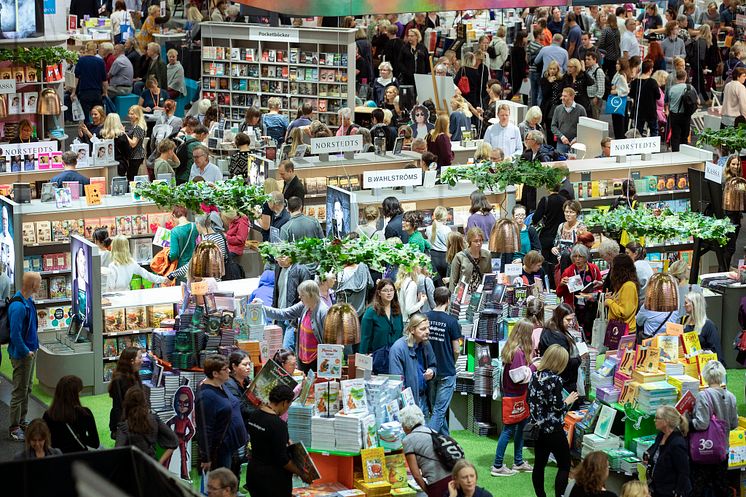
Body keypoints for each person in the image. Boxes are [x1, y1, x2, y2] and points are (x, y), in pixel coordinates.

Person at [245, 384, 312, 497]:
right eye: (288, 405)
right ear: (284, 402)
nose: (287, 409)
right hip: (272, 480)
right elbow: (282, 460)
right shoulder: (278, 425)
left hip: (253, 473)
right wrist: (301, 473)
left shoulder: (255, 414)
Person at [528, 344, 577, 497]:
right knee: (564, 464)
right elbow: (557, 407)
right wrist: (568, 401)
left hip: (538, 429)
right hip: (553, 430)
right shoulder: (555, 380)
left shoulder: (535, 375)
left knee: (539, 464)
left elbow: (530, 399)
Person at [491, 319, 535, 477]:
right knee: (508, 430)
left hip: (517, 396)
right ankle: (497, 465)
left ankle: (518, 461)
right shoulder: (518, 353)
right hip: (514, 397)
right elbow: (518, 377)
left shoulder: (515, 349)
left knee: (519, 428)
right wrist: (534, 366)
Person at [689, 360, 738, 497]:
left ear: (705, 376)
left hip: (704, 449)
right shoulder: (731, 396)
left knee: (699, 486)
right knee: (721, 485)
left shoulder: (703, 395)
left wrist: (687, 421)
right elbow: (734, 424)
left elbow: (701, 424)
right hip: (723, 449)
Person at [196, 355, 248, 472]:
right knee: (223, 479)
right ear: (215, 374)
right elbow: (205, 429)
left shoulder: (221, 384)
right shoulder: (206, 397)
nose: (229, 371)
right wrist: (206, 457)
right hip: (222, 449)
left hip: (232, 444)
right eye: (225, 369)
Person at [262, 280, 328, 372]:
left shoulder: (323, 312)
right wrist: (262, 308)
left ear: (310, 295)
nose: (299, 297)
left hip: (317, 361)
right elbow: (284, 313)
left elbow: (328, 340)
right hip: (303, 358)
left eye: (302, 295)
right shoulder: (304, 305)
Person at [7, 272, 40, 442]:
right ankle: (14, 427)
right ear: (33, 284)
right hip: (22, 355)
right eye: (39, 283)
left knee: (26, 389)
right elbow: (15, 334)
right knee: (19, 390)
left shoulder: (27, 301)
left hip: (30, 352)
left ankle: (22, 421)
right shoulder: (19, 306)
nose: (40, 286)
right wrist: (26, 351)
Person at [425, 287, 461, 435]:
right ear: (448, 301)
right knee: (440, 410)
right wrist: (453, 362)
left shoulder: (425, 317)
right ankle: (427, 439)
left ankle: (446, 441)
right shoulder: (452, 321)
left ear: (434, 299)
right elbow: (457, 349)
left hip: (429, 370)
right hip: (446, 370)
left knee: (437, 409)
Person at [400, 404, 453, 497]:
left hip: (438, 484)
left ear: (405, 425)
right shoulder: (432, 431)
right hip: (454, 478)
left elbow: (416, 475)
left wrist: (429, 492)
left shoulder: (407, 440)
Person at [115, 386, 178, 464]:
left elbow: (117, 455)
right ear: (145, 401)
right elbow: (174, 441)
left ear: (127, 404)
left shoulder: (124, 427)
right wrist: (159, 463)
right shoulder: (154, 420)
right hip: (152, 468)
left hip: (134, 472)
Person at [390, 313, 436, 414]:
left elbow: (433, 365)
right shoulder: (398, 349)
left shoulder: (426, 344)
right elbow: (396, 381)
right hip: (408, 403)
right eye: (423, 329)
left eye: (428, 328)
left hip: (424, 399)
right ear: (412, 330)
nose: (427, 332)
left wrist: (432, 372)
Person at [555, 244, 602, 340]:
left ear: (586, 257)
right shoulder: (568, 271)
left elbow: (601, 288)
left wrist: (598, 285)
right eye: (575, 256)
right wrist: (562, 284)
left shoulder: (593, 269)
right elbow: (559, 293)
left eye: (580, 257)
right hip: (575, 309)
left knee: (590, 334)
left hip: (591, 308)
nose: (577, 259)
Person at [42, 375, 99, 453]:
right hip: (79, 457)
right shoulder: (85, 413)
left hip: (57, 459)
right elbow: (95, 443)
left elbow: (45, 442)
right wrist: (80, 437)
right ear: (76, 394)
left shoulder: (48, 415)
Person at [644, 406, 691, 497]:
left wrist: (677, 492)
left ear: (666, 421)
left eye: (657, 418)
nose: (654, 420)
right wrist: (648, 455)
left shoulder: (677, 444)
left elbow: (683, 472)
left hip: (670, 491)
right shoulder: (661, 435)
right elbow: (654, 449)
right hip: (657, 488)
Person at [360, 279, 404, 373]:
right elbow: (365, 337)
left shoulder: (397, 311)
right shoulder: (371, 312)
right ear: (379, 293)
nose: (389, 293)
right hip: (377, 358)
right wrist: (363, 358)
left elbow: (400, 335)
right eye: (385, 290)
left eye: (391, 290)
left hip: (395, 357)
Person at [108, 347, 143, 439]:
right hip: (126, 423)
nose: (142, 361)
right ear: (132, 361)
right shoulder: (119, 380)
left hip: (136, 420)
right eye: (140, 358)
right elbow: (118, 406)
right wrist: (122, 426)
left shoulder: (135, 374)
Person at [72, 42, 108, 123]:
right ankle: (99, 132)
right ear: (94, 49)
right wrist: (105, 92)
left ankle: (86, 133)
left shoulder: (81, 61)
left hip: (85, 92)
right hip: (97, 92)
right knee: (98, 114)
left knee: (85, 116)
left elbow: (76, 78)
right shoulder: (100, 61)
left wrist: (74, 92)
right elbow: (104, 80)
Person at [682, 291, 723, 362]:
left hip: (703, 365)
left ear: (694, 304)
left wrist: (700, 352)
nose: (684, 305)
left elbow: (716, 351)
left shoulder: (709, 325)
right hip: (686, 363)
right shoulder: (683, 320)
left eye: (686, 303)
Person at [449, 227, 492, 293]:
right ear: (469, 242)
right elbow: (453, 281)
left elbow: (489, 277)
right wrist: (451, 297)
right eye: (476, 241)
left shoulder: (487, 255)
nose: (479, 243)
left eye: (480, 240)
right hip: (464, 294)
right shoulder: (459, 257)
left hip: (480, 294)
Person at [605, 254, 639, 335]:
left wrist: (609, 302)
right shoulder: (623, 285)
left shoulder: (629, 286)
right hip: (619, 329)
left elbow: (624, 312)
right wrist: (612, 299)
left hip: (625, 331)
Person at [552, 200, 586, 277]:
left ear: (577, 213)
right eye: (566, 212)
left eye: (571, 212)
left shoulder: (581, 227)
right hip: (561, 262)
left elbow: (583, 248)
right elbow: (557, 244)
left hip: (576, 263)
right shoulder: (561, 226)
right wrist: (554, 249)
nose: (568, 214)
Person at [551, 87, 586, 154]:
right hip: (561, 143)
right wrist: (562, 137)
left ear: (572, 97)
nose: (562, 98)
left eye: (565, 96)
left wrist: (577, 138)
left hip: (576, 144)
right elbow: (553, 126)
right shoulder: (558, 109)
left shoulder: (581, 109)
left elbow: (584, 128)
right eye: (562, 95)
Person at [125, 105, 146, 181]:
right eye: (129, 114)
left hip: (136, 156)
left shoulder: (138, 127)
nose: (130, 116)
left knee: (131, 178)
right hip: (134, 156)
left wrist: (124, 134)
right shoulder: (134, 126)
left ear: (137, 115)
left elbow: (133, 144)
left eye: (132, 114)